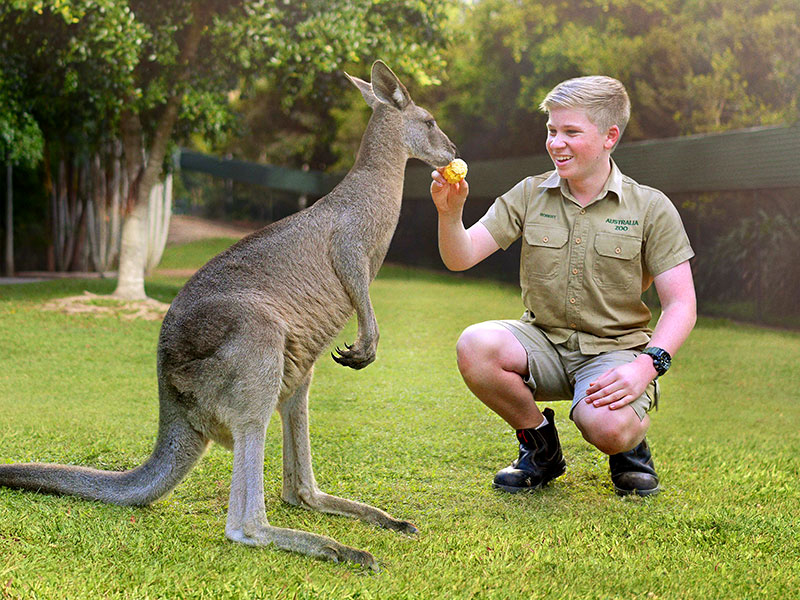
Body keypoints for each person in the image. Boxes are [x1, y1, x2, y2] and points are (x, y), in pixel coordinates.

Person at [429, 76, 696, 496]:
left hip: (616, 350)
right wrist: (450, 213)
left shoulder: (651, 207)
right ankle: (540, 448)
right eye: (552, 130)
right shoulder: (530, 193)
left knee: (605, 426)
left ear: (610, 136)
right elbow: (460, 256)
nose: (556, 143)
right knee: (474, 344)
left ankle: (630, 446)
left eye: (571, 132)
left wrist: (646, 367)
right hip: (543, 342)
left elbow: (681, 304)